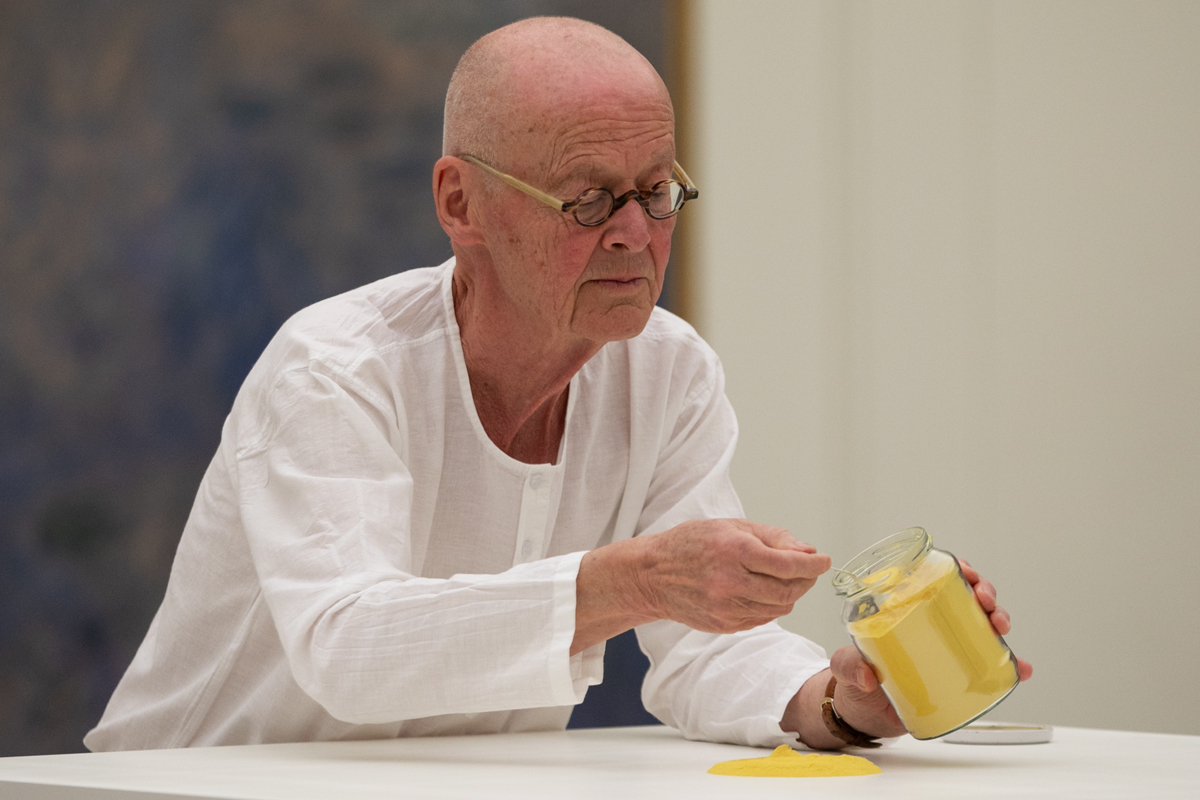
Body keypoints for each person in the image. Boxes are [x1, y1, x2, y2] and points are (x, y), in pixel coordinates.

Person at [85, 17, 1030, 753]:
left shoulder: (669, 367)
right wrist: (635, 578)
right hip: (185, 785)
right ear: (462, 204)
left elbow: (703, 650)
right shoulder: (337, 366)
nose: (632, 233)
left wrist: (842, 702)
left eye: (655, 192)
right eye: (586, 199)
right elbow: (348, 646)